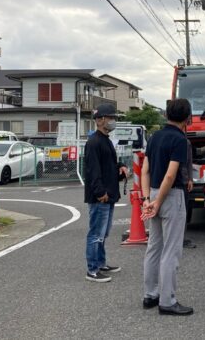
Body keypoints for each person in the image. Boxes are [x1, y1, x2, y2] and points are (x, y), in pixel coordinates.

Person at [141, 98, 194, 315]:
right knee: (171, 250)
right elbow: (171, 175)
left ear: (166, 115)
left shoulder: (155, 136)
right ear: (187, 117)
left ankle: (150, 295)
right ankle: (167, 301)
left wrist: (148, 200)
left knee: (154, 247)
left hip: (152, 193)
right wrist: (160, 201)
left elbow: (145, 169)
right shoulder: (180, 140)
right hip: (170, 197)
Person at [84, 103, 128, 283]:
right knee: (96, 233)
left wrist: (121, 167)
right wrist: (100, 192)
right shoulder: (93, 142)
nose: (113, 121)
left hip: (108, 194)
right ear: (100, 119)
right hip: (100, 196)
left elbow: (108, 165)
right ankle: (92, 269)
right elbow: (93, 171)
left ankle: (100, 263)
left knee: (103, 232)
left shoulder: (106, 139)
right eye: (111, 118)